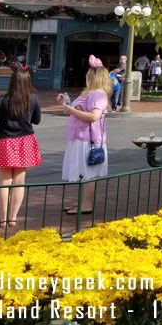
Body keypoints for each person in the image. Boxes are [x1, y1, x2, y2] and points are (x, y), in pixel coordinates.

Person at [0, 67, 41, 225]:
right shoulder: (33, 99)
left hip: (4, 141)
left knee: (4, 183)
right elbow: (36, 120)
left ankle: (2, 219)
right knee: (19, 182)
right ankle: (13, 218)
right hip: (25, 141)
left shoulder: (1, 100)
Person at [58, 57, 111, 216]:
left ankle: (86, 205)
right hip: (80, 137)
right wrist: (66, 104)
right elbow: (81, 110)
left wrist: (71, 110)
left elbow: (94, 116)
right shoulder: (90, 93)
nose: (86, 78)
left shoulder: (98, 94)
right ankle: (82, 202)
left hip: (89, 140)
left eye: (88, 75)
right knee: (84, 173)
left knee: (88, 174)